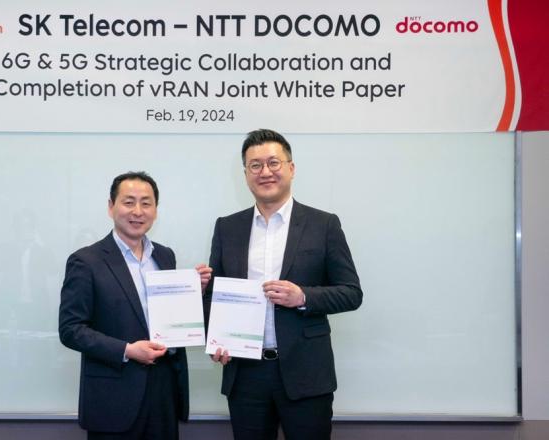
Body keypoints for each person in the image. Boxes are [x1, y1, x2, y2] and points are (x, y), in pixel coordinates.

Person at [204, 129, 363, 440]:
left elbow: (351, 292)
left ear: (291, 168)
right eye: (255, 165)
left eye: (273, 163)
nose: (265, 172)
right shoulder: (227, 227)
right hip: (245, 374)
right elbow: (214, 296)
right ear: (245, 175)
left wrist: (302, 296)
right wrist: (216, 341)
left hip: (306, 374)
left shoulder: (324, 224)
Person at [59, 171, 211, 440]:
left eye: (146, 203)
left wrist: (192, 295)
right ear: (111, 206)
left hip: (163, 393)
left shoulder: (165, 256)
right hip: (113, 398)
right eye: (128, 202)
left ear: (156, 210)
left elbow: (167, 318)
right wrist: (128, 350)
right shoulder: (86, 261)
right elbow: (71, 329)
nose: (138, 211)